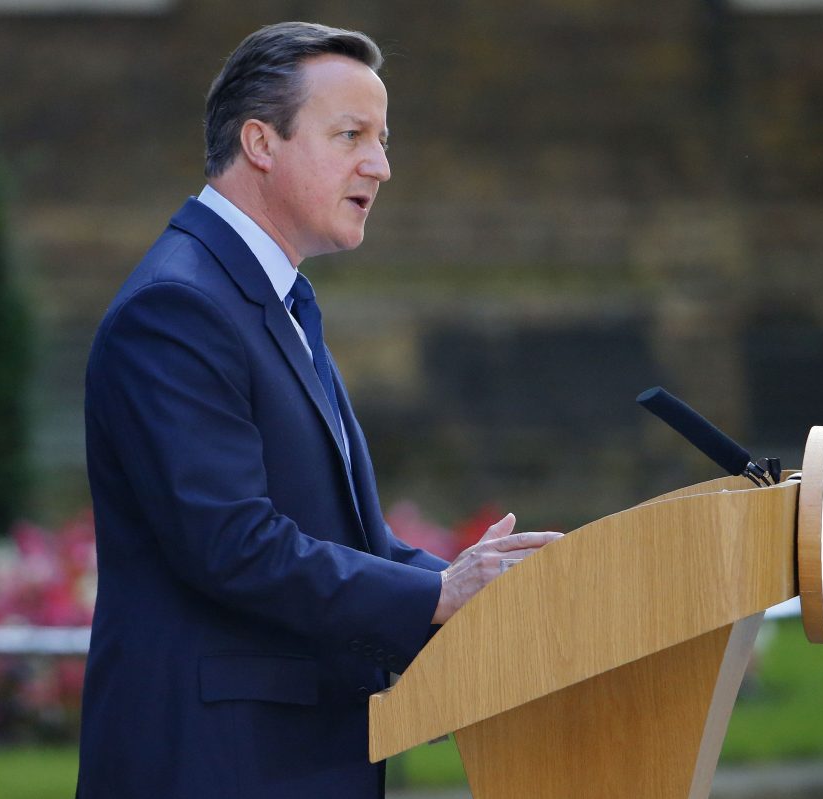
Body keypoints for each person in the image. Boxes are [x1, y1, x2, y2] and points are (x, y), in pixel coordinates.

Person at [78, 21, 561, 799]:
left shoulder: (273, 295)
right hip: (218, 764)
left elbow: (349, 538)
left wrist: (491, 592)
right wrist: (438, 594)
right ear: (261, 142)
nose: (381, 164)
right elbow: (231, 542)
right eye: (351, 135)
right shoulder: (178, 305)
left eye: (383, 138)